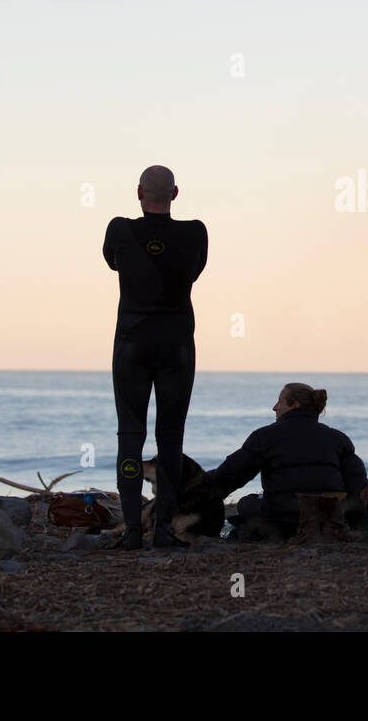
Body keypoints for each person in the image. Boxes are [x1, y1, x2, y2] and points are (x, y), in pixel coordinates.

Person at [104, 165, 208, 549]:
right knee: (170, 437)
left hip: (132, 341)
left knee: (130, 436)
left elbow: (112, 261)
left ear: (138, 192)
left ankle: (133, 528)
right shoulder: (195, 232)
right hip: (177, 342)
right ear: (175, 193)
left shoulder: (119, 229)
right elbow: (194, 271)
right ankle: (163, 527)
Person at [206, 383, 368, 542]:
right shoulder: (339, 439)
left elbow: (231, 475)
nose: (274, 407)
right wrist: (357, 526)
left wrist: (199, 487)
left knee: (245, 503)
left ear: (295, 405)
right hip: (329, 522)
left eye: (279, 401)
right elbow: (359, 488)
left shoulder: (264, 437)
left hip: (284, 525)